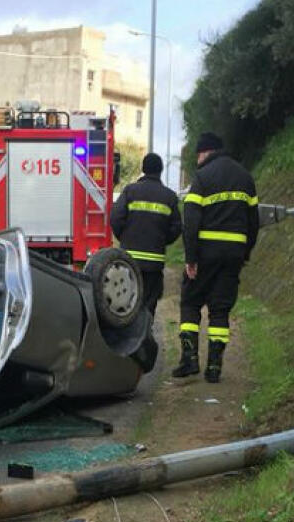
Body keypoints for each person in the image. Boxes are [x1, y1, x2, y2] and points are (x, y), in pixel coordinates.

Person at [172, 132, 259, 383]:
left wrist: (191, 258)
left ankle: (189, 360)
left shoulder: (202, 178)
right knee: (220, 309)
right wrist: (245, 252)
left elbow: (191, 222)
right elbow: (253, 222)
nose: (197, 160)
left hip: (206, 252)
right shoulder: (245, 177)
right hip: (233, 254)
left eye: (198, 155)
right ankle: (214, 366)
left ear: (205, 152)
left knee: (190, 302)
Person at [110, 153, 183, 315]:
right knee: (149, 304)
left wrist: (124, 237)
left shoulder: (130, 191)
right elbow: (177, 227)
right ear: (161, 171)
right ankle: (145, 335)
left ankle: (130, 336)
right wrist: (163, 240)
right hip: (154, 263)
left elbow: (115, 217)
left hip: (130, 260)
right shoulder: (169, 197)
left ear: (143, 169)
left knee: (130, 302)